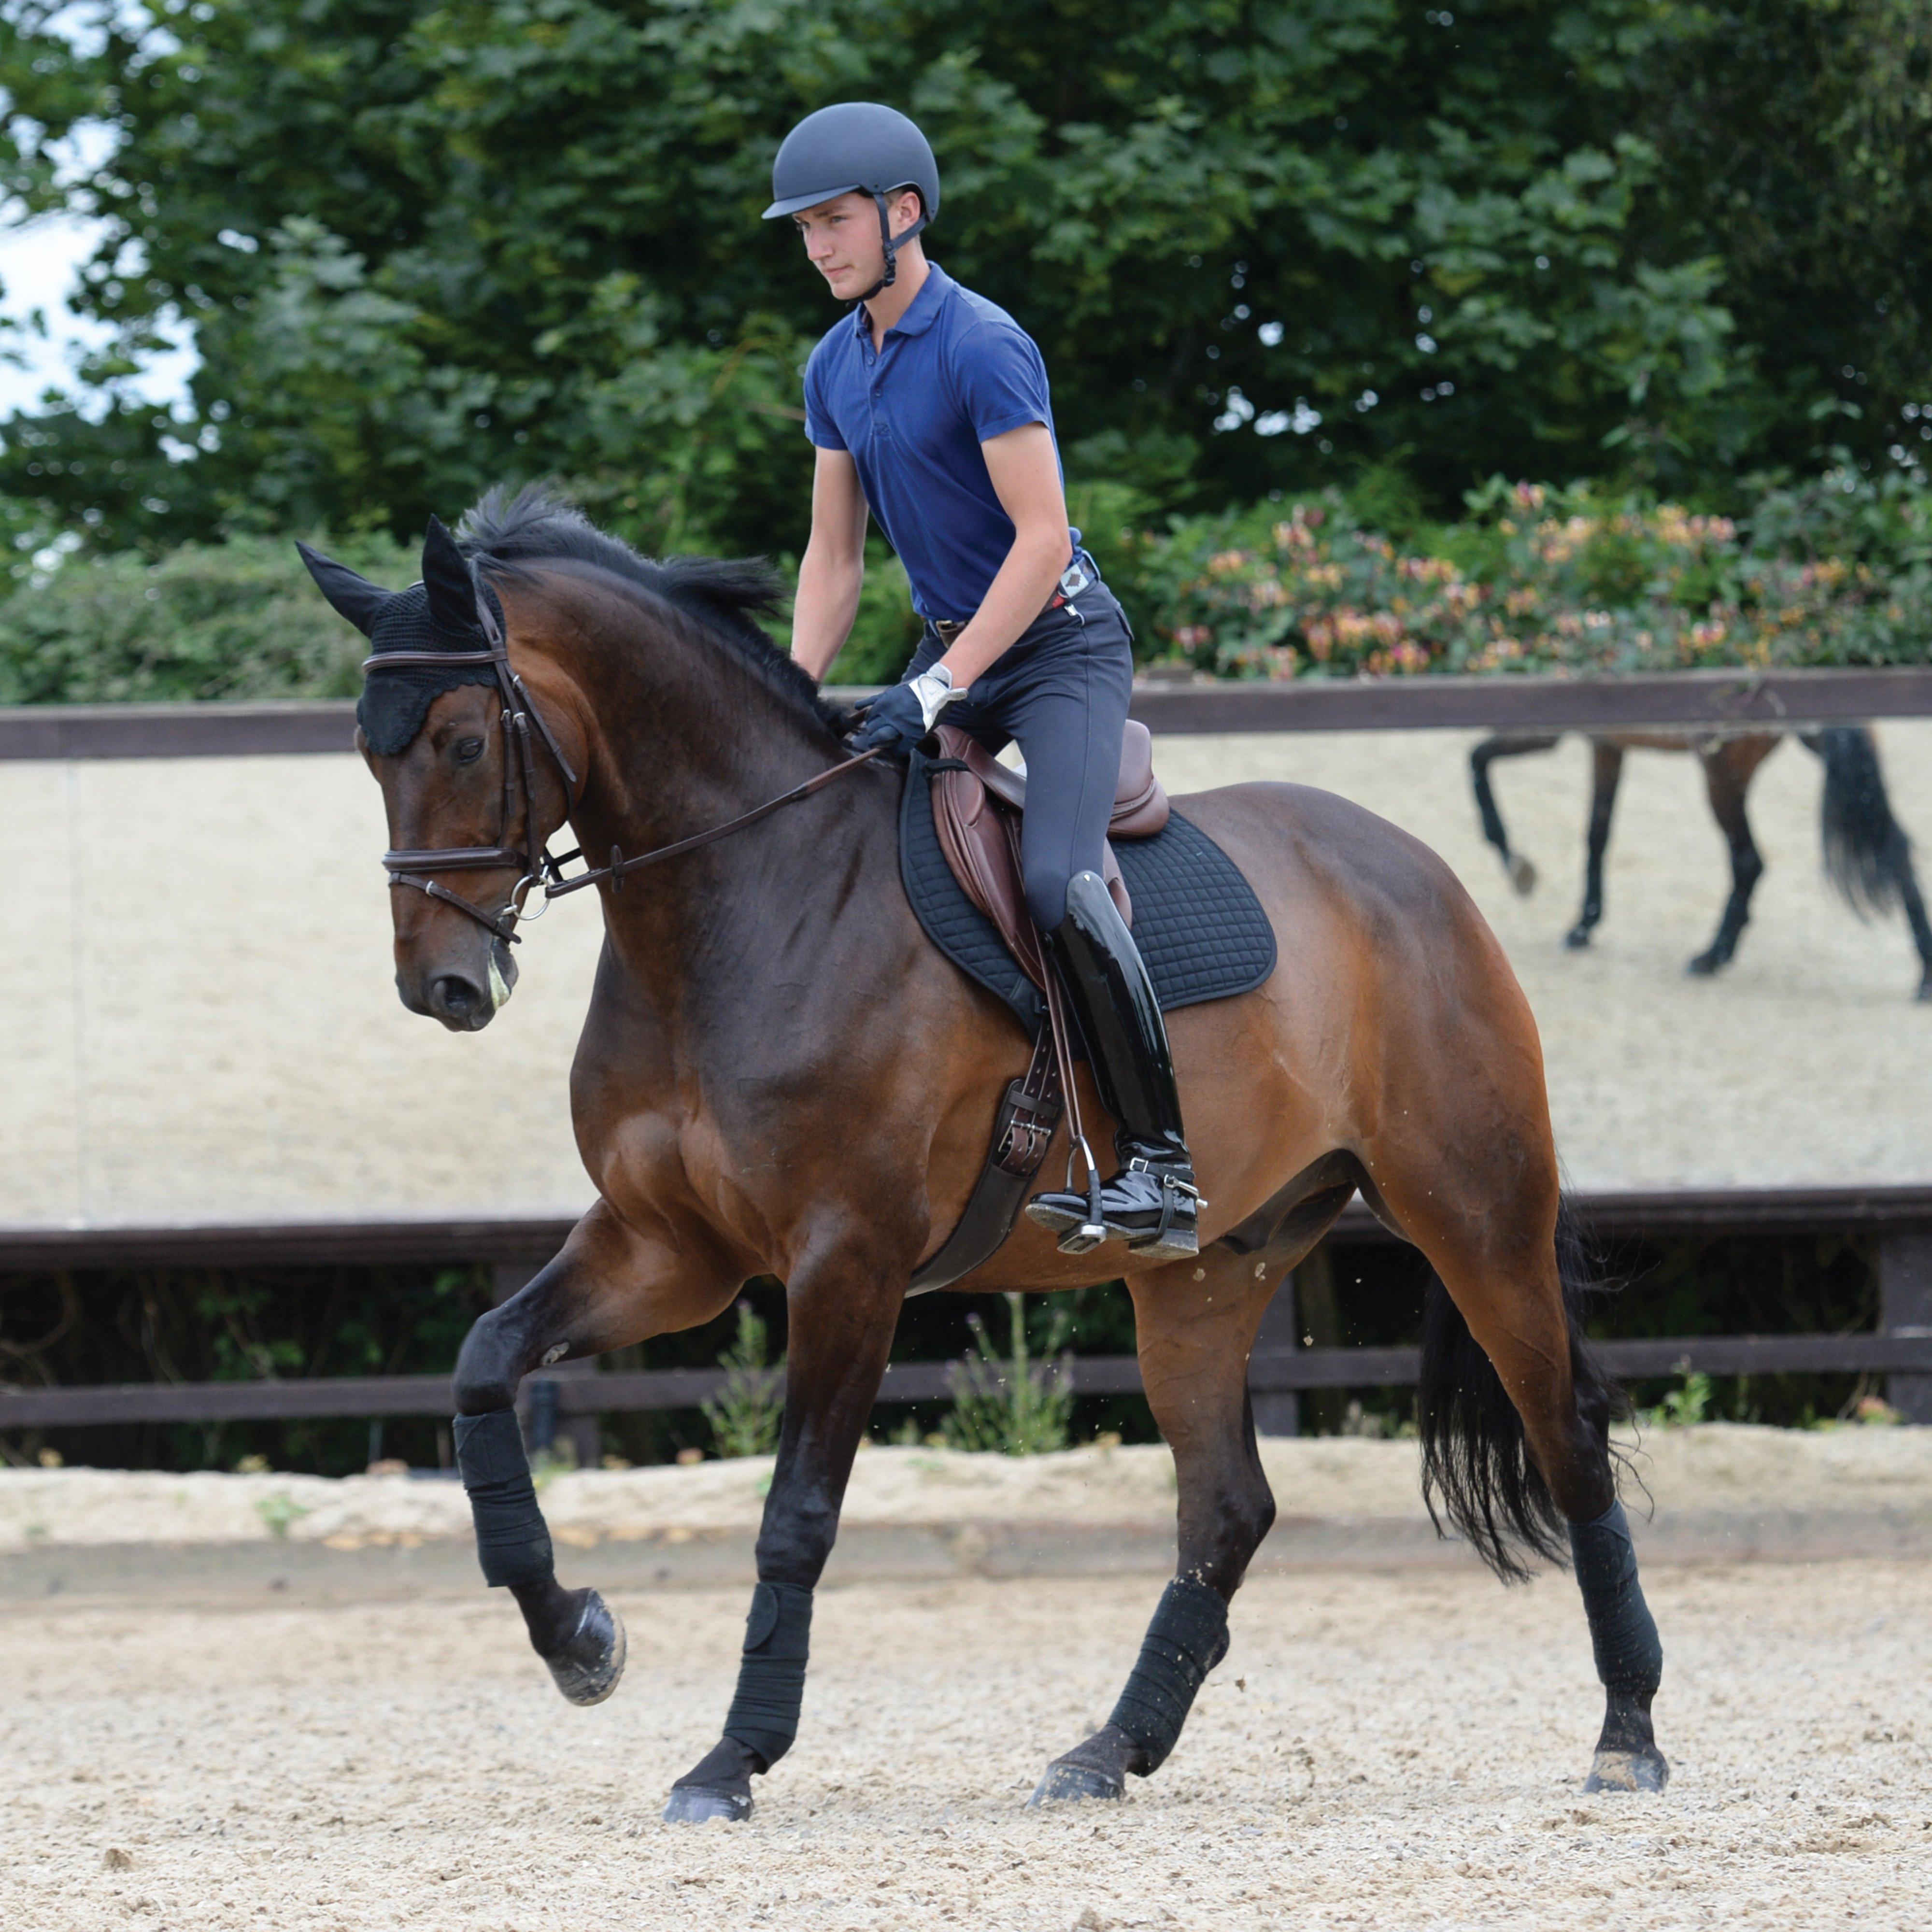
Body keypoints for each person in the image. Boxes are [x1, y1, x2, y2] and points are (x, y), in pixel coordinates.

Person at [767, 102, 1199, 1261]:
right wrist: (791, 688)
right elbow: (834, 558)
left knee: (1056, 878)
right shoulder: (833, 363)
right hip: (951, 650)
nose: (816, 246)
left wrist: (938, 684)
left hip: (1056, 646)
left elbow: (1042, 539)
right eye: (803, 229)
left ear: (902, 213)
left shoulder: (982, 343)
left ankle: (1160, 1165)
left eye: (834, 221)